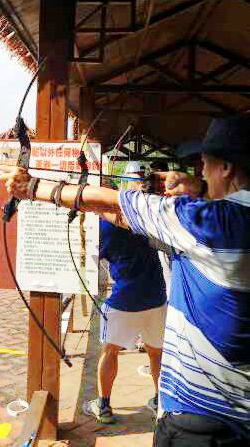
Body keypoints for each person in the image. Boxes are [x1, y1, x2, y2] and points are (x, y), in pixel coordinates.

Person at [0, 117, 250, 446]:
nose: (201, 171)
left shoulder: (203, 222)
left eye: (204, 165)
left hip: (203, 422)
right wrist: (200, 188)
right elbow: (248, 205)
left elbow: (113, 204)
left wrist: (34, 188)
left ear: (226, 167)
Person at [82, 171, 167, 423]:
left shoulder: (104, 226)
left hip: (125, 300)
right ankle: (159, 400)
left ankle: (104, 405)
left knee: (110, 351)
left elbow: (97, 253)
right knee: (156, 352)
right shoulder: (145, 217)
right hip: (156, 295)